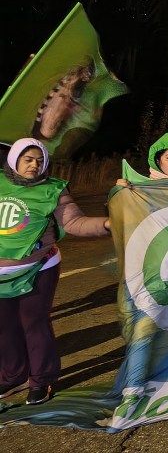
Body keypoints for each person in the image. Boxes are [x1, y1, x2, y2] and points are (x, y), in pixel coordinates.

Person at [0, 138, 112, 405]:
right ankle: (13, 376)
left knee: (34, 323)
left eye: (39, 161)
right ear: (14, 160)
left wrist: (108, 224)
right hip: (2, 274)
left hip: (38, 267)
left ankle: (41, 380)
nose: (34, 165)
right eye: (28, 159)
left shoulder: (53, 190)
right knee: (5, 327)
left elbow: (75, 223)